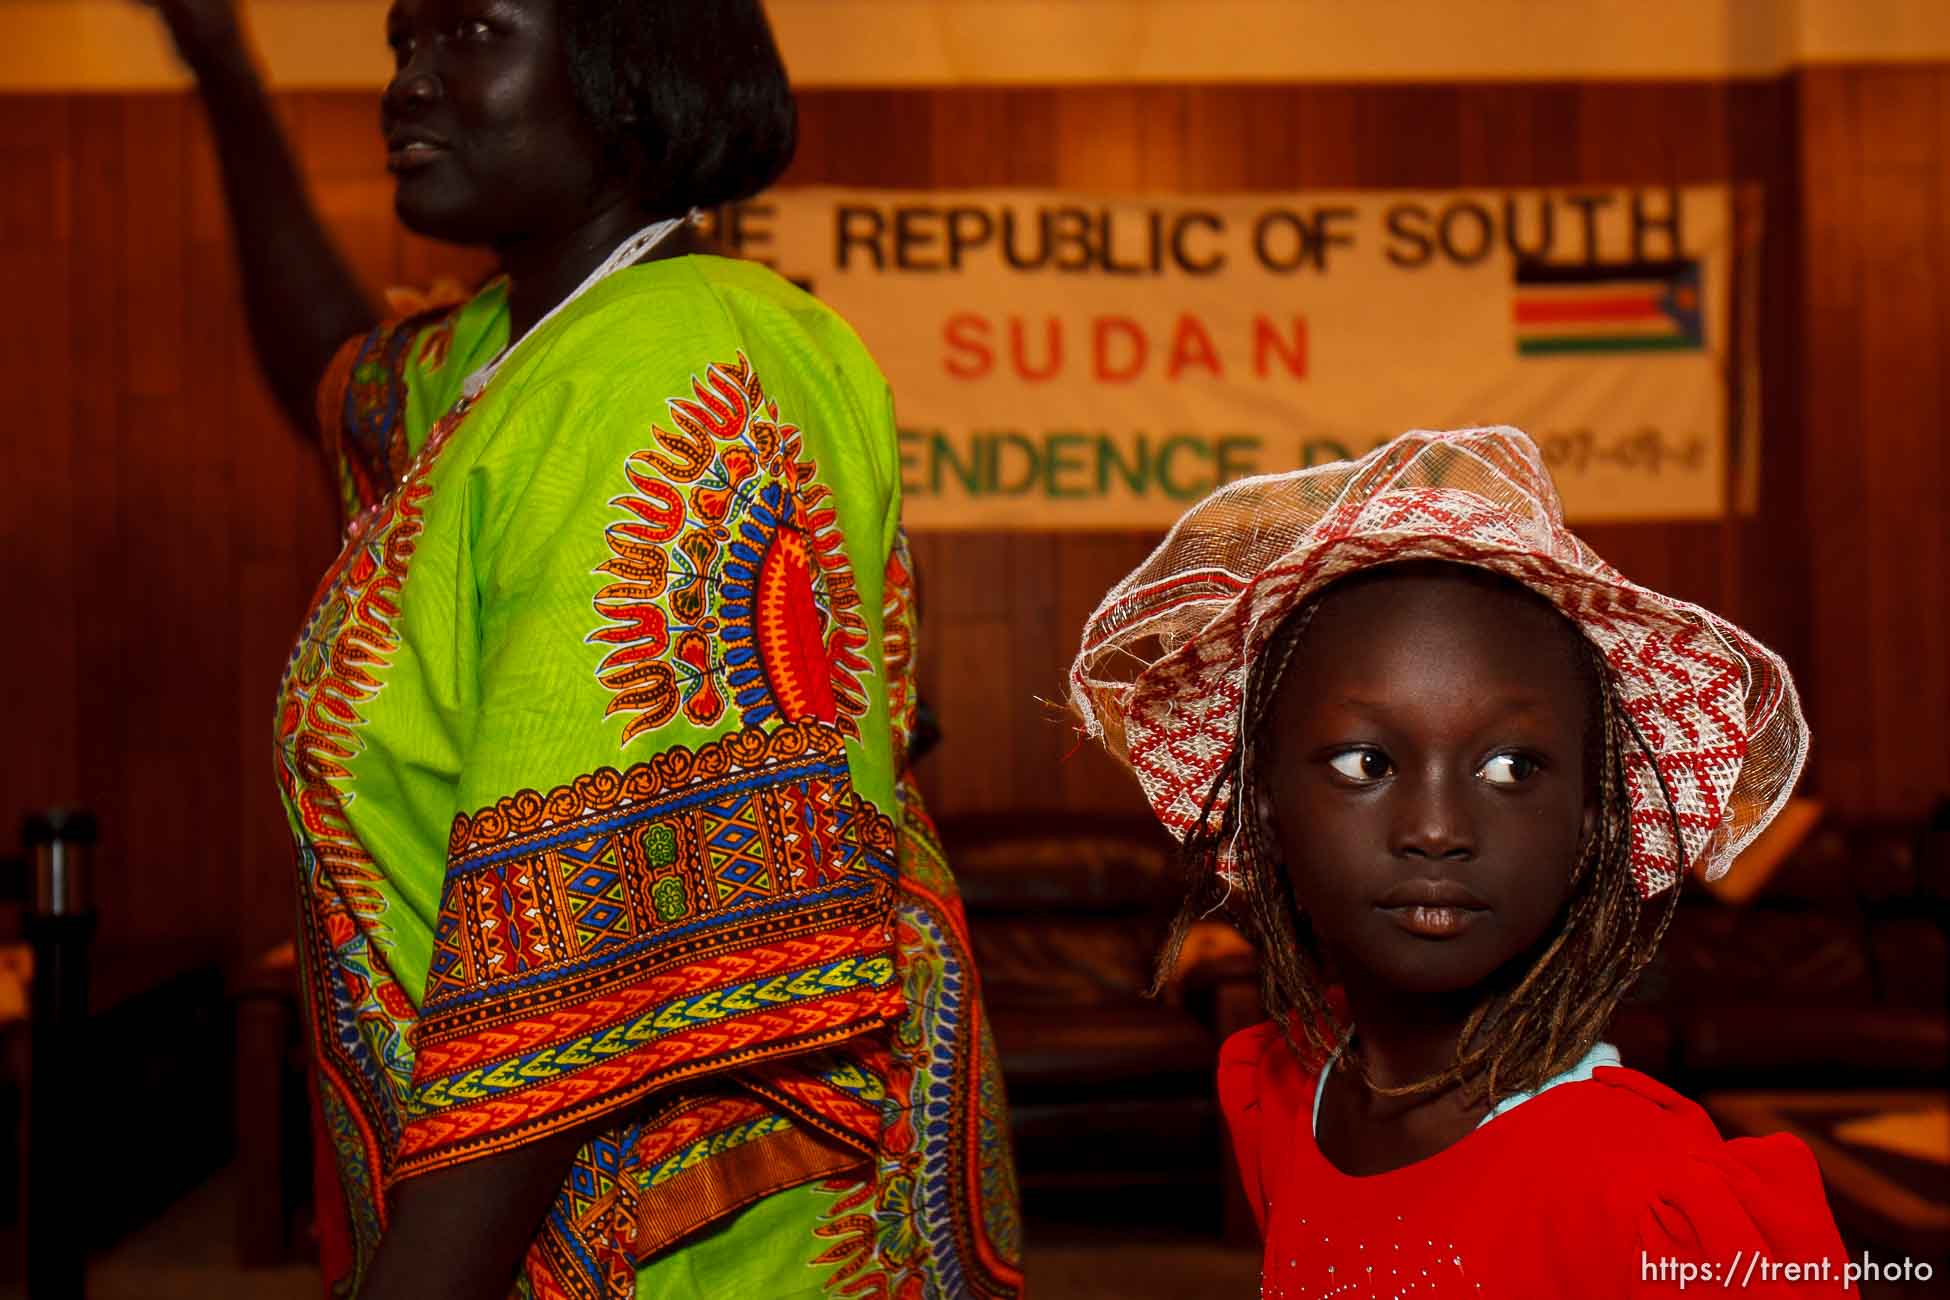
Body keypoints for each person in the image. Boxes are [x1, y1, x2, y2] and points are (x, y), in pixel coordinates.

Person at [144, 0, 1023, 1295]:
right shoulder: (514, 350)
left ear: (634, 68)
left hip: (703, 1250)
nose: (408, 83)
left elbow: (585, 956)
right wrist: (223, 63)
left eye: (470, 33)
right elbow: (333, 371)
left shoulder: (672, 354)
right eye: (402, 41)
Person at [1068, 427, 1855, 1296]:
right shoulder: (1287, 1097)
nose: (1437, 828)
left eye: (1509, 768)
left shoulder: (1654, 1196)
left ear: (1589, 823)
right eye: (1365, 765)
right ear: (1266, 812)